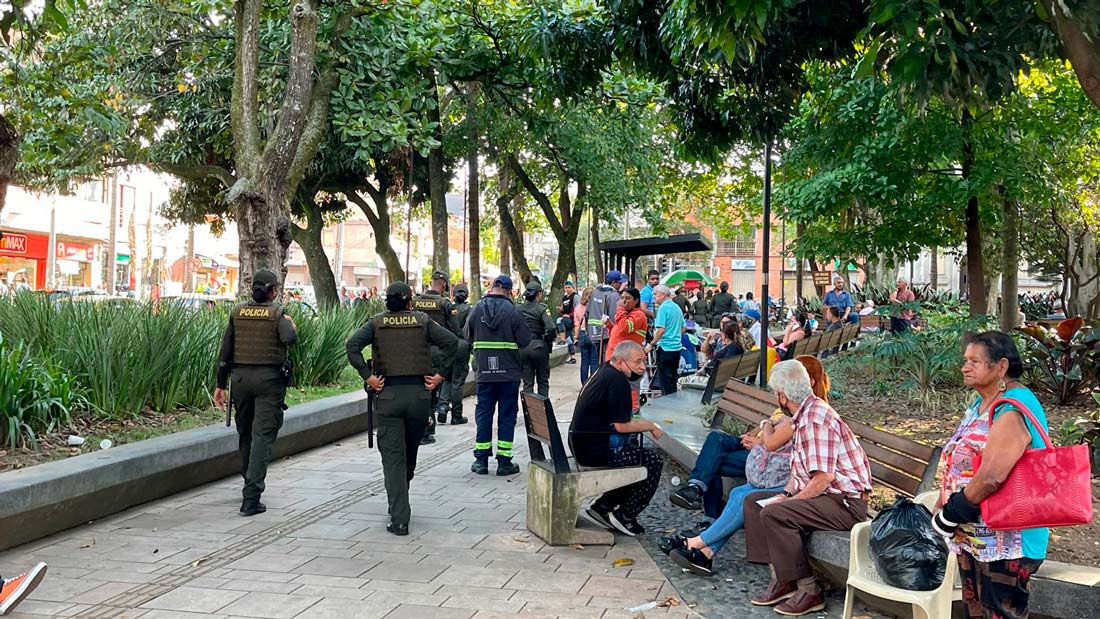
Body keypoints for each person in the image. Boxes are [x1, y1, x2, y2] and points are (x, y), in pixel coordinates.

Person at [666, 356, 830, 576]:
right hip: (773, 466)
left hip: (782, 472)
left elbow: (777, 447)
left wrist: (787, 494)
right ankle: (706, 553)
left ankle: (696, 542)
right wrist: (759, 433)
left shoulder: (807, 414)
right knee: (735, 486)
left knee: (738, 490)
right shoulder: (800, 412)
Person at [932, 331, 1049, 619]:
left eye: (975, 361)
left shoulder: (1013, 406)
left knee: (999, 614)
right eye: (965, 360)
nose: (965, 367)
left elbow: (992, 476)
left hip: (1009, 542)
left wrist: (948, 515)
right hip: (974, 535)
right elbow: (962, 461)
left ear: (1001, 367)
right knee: (975, 612)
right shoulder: (980, 404)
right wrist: (942, 500)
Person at [742, 360, 872, 616]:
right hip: (828, 497)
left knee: (776, 513)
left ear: (782, 395)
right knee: (753, 502)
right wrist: (785, 494)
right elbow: (800, 472)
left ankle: (809, 590)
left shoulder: (815, 419)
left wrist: (790, 503)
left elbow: (823, 478)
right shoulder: (804, 414)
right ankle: (783, 578)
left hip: (845, 504)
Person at [345, 281, 457, 536]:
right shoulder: (423, 321)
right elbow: (452, 343)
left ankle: (399, 518)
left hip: (388, 396)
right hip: (419, 396)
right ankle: (400, 499)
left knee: (393, 458)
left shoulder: (376, 322)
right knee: (409, 454)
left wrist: (367, 376)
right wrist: (440, 375)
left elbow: (352, 345)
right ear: (409, 302)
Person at [213, 270, 298, 516]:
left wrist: (220, 384)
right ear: (272, 291)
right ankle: (251, 497)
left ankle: (248, 480)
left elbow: (225, 350)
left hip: (239, 380)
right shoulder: (278, 314)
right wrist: (289, 321)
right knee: (262, 436)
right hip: (269, 381)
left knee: (246, 433)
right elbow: (289, 338)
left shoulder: (237, 312)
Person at [569, 341, 665, 536]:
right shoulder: (617, 380)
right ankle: (625, 515)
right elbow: (622, 426)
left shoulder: (604, 370)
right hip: (596, 450)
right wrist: (651, 426)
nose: (642, 367)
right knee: (652, 461)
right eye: (637, 362)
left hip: (582, 444)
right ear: (620, 361)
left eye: (643, 361)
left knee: (636, 454)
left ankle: (603, 507)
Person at [466, 275, 532, 476]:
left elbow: (467, 336)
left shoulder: (476, 309)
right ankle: (504, 462)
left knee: (484, 413)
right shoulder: (513, 311)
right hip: (509, 374)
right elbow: (525, 340)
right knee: (507, 415)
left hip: (484, 373)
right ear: (509, 291)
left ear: (493, 287)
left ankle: (481, 460)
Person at [414, 271, 461, 443]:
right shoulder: (445, 303)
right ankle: (434, 416)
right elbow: (454, 330)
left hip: (417, 351)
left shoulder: (416, 300)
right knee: (437, 385)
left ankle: (426, 423)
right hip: (437, 351)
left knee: (422, 388)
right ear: (444, 285)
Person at [519, 279, 557, 397]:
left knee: (527, 383)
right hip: (539, 346)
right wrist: (547, 339)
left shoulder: (518, 308)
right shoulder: (542, 309)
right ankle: (543, 411)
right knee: (542, 381)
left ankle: (528, 412)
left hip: (522, 348)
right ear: (539, 294)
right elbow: (551, 327)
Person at [646, 285, 683, 395]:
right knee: (672, 379)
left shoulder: (663, 309)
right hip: (676, 347)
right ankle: (673, 401)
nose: (654, 296)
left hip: (665, 347)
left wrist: (652, 344)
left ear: (662, 295)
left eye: (655, 294)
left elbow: (661, 330)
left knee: (665, 381)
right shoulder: (677, 307)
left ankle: (668, 405)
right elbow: (683, 328)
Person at [447, 283, 473, 424]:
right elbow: (470, 329)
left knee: (445, 378)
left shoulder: (448, 308)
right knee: (457, 382)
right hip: (463, 346)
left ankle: (443, 407)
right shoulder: (469, 310)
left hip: (447, 346)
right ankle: (456, 414)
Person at [586, 271, 623, 361]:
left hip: (593, 332)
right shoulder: (613, 295)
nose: (621, 284)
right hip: (606, 333)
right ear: (614, 283)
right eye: (619, 282)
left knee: (597, 360)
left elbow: (587, 312)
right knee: (605, 360)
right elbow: (615, 316)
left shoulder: (595, 292)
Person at [606, 287, 648, 361]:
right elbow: (620, 332)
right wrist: (610, 326)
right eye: (622, 298)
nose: (624, 301)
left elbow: (625, 327)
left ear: (636, 301)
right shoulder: (625, 314)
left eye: (628, 298)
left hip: (626, 358)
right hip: (615, 356)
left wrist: (620, 308)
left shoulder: (639, 315)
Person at [574, 286, 599, 384]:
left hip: (582, 334)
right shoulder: (595, 307)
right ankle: (593, 383)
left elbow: (576, 325)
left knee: (584, 361)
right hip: (593, 334)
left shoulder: (578, 307)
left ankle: (584, 383)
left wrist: (576, 337)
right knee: (594, 360)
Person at [558, 281, 579, 364]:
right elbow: (563, 311)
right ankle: (573, 357)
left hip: (572, 319)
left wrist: (570, 315)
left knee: (559, 321)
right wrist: (561, 311)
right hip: (566, 318)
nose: (567, 289)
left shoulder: (575, 296)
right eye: (566, 287)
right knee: (569, 338)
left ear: (572, 287)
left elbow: (578, 309)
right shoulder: (564, 298)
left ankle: (562, 340)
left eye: (569, 287)